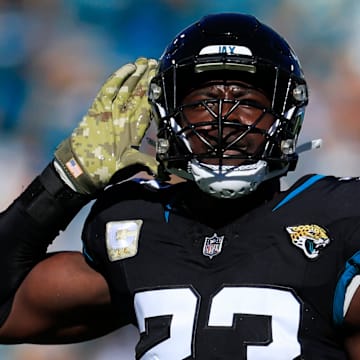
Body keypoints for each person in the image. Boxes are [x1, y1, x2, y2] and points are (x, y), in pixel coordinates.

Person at [0, 12, 360, 359]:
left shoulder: (336, 220)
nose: (225, 120)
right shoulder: (138, 225)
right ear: (168, 115)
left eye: (248, 102)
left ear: (285, 117)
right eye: (203, 102)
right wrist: (66, 180)